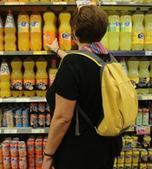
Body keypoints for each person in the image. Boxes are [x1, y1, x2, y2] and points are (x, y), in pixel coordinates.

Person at [42, 5, 122, 169]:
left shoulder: (73, 64)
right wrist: (58, 51)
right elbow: (84, 66)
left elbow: (62, 118)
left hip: (80, 152)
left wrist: (48, 155)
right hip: (107, 146)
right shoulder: (109, 59)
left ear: (74, 32)